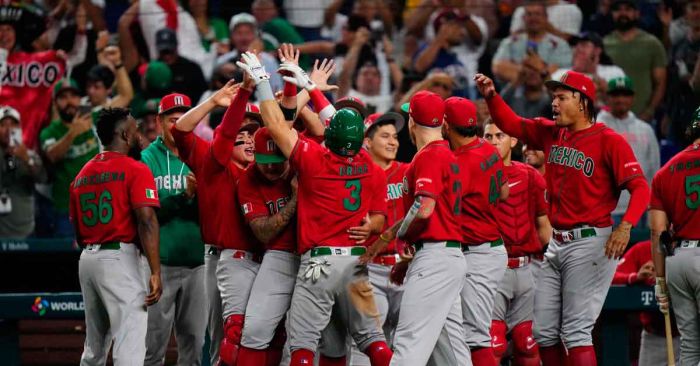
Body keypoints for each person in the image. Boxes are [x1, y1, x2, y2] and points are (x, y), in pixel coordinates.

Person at [476, 70, 650, 365]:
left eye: (561, 97)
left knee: (576, 331)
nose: (553, 103)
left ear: (582, 102)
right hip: (557, 243)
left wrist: (627, 226)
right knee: (543, 332)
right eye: (553, 97)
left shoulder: (609, 140)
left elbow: (641, 188)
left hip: (591, 241)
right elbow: (511, 123)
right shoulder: (551, 132)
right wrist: (492, 95)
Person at [239, 51, 393, 365]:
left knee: (304, 347)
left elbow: (276, 125)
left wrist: (262, 81)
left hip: (319, 265)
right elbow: (379, 219)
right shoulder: (372, 166)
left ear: (330, 136)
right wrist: (310, 86)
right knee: (375, 343)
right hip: (355, 263)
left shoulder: (314, 159)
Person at [363, 90, 470, 365]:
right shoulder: (446, 152)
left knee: (408, 345)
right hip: (448, 256)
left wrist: (398, 235)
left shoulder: (430, 155)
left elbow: (424, 208)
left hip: (434, 258)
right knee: (452, 353)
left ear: (412, 121)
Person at [171, 79, 258, 366]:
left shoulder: (269, 171)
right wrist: (214, 102)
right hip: (221, 258)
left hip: (265, 262)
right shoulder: (213, 163)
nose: (248, 139)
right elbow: (181, 129)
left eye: (253, 133)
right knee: (225, 340)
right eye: (242, 134)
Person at [69, 107, 162, 365]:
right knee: (129, 342)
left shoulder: (81, 174)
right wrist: (155, 271)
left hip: (88, 259)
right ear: (124, 134)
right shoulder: (135, 168)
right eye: (136, 130)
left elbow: (77, 230)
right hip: (120, 259)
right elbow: (146, 221)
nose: (140, 135)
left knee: (94, 348)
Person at [139, 94, 207, 365]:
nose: (177, 126)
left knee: (194, 345)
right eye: (171, 120)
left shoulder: (202, 153)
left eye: (182, 120)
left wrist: (202, 197)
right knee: (153, 346)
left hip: (197, 265)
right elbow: (148, 215)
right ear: (158, 122)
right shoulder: (146, 159)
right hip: (160, 266)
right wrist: (184, 196)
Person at [442, 97, 508, 366]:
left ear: (446, 125)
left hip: (479, 253)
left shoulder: (460, 162)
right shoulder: (488, 148)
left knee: (476, 336)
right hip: (484, 247)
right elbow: (503, 192)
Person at [483, 120, 550, 366]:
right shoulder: (475, 175)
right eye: (487, 136)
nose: (492, 141)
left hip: (527, 268)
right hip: (492, 268)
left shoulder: (530, 176)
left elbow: (544, 224)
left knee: (527, 342)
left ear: (513, 141)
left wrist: (551, 262)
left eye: (499, 136)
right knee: (493, 343)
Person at [235, 127, 298, 366]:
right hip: (279, 255)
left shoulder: (304, 163)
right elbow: (263, 232)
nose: (271, 167)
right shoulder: (249, 179)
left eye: (276, 161)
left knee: (304, 338)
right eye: (265, 161)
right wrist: (295, 200)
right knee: (253, 331)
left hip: (312, 255)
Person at [349, 112, 407, 365]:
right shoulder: (355, 177)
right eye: (385, 136)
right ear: (367, 141)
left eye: (395, 137)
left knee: (405, 341)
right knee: (368, 342)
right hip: (370, 269)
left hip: (405, 267)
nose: (393, 142)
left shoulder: (408, 171)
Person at [650, 109, 700, 366]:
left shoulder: (665, 171)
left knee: (690, 347)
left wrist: (660, 280)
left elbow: (658, 232)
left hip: (678, 262)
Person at [40, 79, 100, 237]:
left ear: (80, 99)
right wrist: (73, 132)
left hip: (98, 206)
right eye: (63, 97)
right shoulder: (49, 132)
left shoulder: (94, 120)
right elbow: (52, 155)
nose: (69, 101)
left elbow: (124, 97)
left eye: (73, 96)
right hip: (66, 210)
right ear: (55, 103)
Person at [598, 76, 660, 224]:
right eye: (616, 95)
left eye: (625, 95)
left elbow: (654, 169)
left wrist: (653, 205)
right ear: (608, 97)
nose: (620, 99)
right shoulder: (597, 128)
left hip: (641, 208)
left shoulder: (645, 129)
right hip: (607, 210)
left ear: (633, 98)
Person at [611, 240, 680, 366]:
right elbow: (611, 276)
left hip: (689, 336)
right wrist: (635, 277)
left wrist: (664, 277)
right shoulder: (642, 249)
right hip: (653, 337)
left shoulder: (689, 249)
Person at [603, 0, 667, 121]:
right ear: (612, 14)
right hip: (610, 118)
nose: (623, 13)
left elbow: (660, 83)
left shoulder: (652, 43)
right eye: (618, 10)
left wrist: (649, 112)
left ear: (637, 13)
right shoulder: (604, 44)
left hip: (643, 117)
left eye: (628, 9)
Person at [413, 8, 487, 98]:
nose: (462, 32)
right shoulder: (428, 49)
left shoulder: (456, 59)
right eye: (457, 27)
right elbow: (419, 67)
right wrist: (440, 38)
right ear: (444, 27)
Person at [492, 1, 572, 83]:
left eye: (537, 14)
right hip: (513, 93)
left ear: (546, 18)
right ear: (523, 18)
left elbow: (562, 73)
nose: (533, 18)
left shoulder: (560, 44)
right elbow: (498, 68)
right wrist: (542, 71)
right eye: (529, 14)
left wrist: (518, 70)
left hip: (548, 94)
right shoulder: (509, 42)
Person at [0, 106, 45, 238]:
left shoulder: (30, 155)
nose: (8, 130)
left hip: (25, 230)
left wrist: (26, 159)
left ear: (19, 128)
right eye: (2, 125)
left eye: (13, 124)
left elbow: (42, 178)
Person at [510, 0, 583, 40]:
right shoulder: (521, 10)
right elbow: (512, 39)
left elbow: (568, 41)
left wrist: (545, 26)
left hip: (557, 58)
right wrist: (529, 26)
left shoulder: (570, 9)